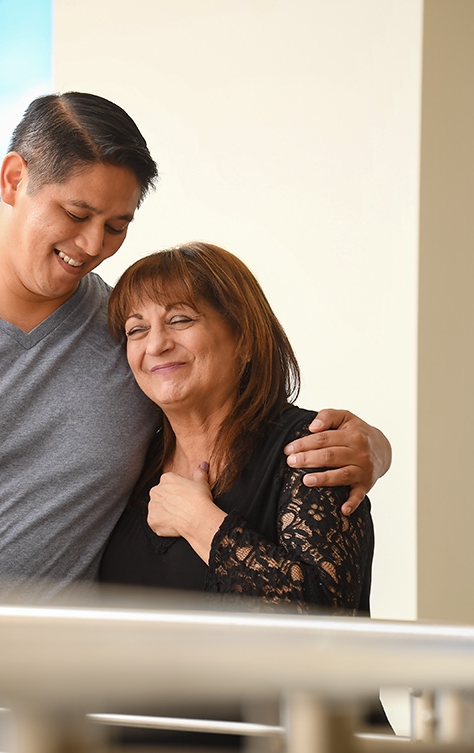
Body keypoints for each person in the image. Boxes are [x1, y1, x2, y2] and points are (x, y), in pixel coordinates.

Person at [0, 93, 390, 753]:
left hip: (55, 735)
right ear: (13, 179)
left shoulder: (127, 339)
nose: (92, 246)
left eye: (116, 225)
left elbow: (226, 413)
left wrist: (369, 444)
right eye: (77, 215)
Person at [100, 242, 374, 613]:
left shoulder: (312, 451)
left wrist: (201, 523)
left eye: (180, 319)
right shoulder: (132, 462)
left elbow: (324, 618)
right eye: (136, 330)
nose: (156, 344)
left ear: (244, 338)